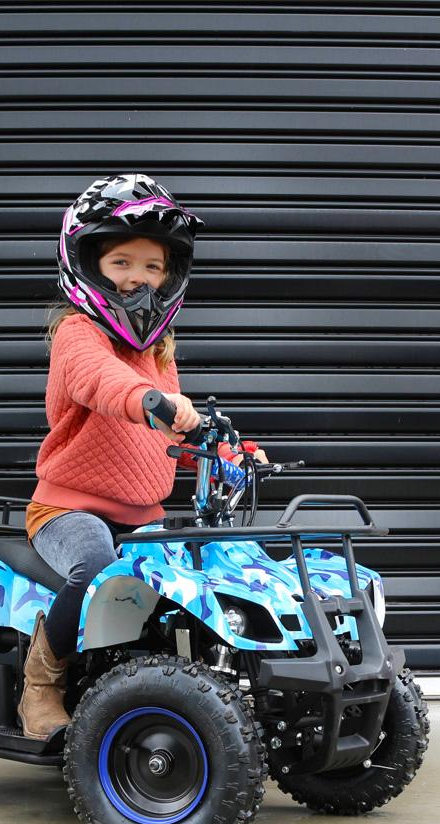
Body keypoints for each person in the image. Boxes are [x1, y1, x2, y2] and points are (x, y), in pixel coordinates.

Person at [19, 174, 268, 739]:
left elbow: (171, 431)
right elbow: (99, 381)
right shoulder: (78, 335)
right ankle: (42, 685)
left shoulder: (159, 354)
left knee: (201, 578)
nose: (139, 277)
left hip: (144, 518)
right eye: (122, 262)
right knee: (95, 567)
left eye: (153, 266)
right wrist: (147, 399)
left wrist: (227, 452)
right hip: (68, 512)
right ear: (88, 266)